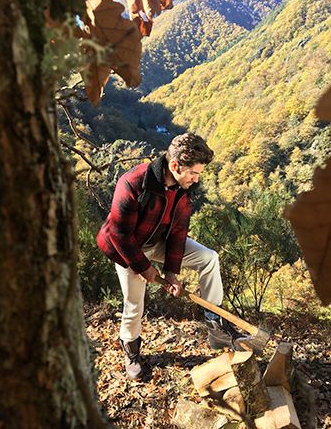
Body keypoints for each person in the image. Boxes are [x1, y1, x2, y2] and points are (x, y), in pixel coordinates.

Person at [97, 133, 252, 380]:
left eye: (199, 174)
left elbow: (178, 232)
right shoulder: (133, 182)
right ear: (175, 165)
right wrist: (143, 267)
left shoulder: (183, 189)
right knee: (135, 302)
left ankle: (216, 324)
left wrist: (171, 272)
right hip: (126, 247)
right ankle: (131, 351)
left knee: (208, 257)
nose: (196, 179)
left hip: (157, 240)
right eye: (193, 173)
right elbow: (119, 234)